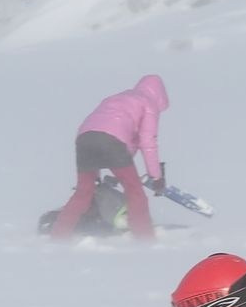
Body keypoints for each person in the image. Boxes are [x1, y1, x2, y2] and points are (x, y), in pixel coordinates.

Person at [47, 74, 170, 242]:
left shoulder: (116, 98)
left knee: (84, 193)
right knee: (135, 193)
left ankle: (59, 235)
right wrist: (157, 177)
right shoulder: (148, 103)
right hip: (112, 141)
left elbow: (120, 137)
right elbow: (147, 142)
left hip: (84, 138)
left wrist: (110, 174)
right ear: (160, 95)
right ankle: (144, 238)